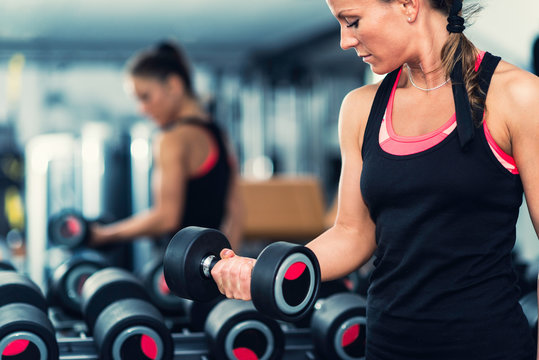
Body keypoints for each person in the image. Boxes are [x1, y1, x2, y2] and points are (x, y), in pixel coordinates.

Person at [210, 0, 539, 359]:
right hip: (387, 342)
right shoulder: (362, 108)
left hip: (487, 346)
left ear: (408, 5)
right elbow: (352, 233)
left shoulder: (517, 97)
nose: (344, 41)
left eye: (351, 21)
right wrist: (270, 270)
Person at [90, 41, 244, 251]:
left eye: (145, 97)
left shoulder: (172, 139)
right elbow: (236, 211)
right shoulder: (219, 133)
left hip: (181, 267)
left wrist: (106, 234)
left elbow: (166, 217)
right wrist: (227, 265)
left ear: (173, 85)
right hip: (213, 265)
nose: (142, 110)